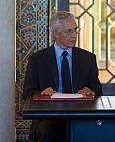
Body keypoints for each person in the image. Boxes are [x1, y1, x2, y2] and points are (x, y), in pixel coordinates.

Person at [23, 11, 102, 142]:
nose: (74, 35)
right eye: (69, 31)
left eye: (76, 30)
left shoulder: (88, 58)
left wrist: (91, 91)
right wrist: (42, 93)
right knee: (46, 131)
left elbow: (98, 90)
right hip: (49, 117)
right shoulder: (37, 59)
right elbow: (27, 93)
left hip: (81, 115)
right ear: (55, 33)